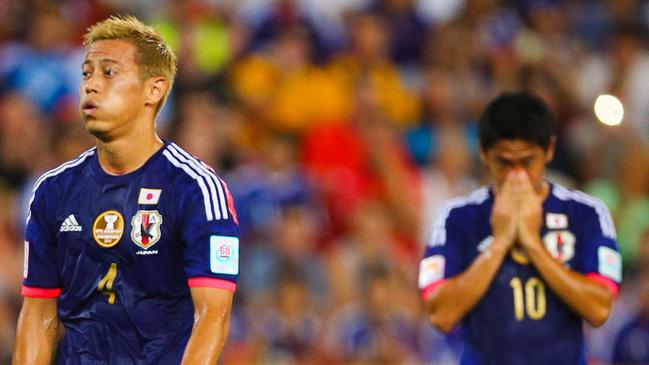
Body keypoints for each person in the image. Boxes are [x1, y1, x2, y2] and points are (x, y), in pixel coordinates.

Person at [12, 15, 239, 364]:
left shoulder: (196, 190)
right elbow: (39, 313)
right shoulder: (52, 191)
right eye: (86, 73)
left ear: (155, 89)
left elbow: (212, 316)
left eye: (109, 72)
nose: (90, 85)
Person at [419, 92, 621, 365]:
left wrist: (531, 242)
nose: (516, 175)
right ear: (483, 152)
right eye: (504, 163)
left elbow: (599, 308)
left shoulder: (586, 213)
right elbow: (440, 314)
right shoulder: (457, 217)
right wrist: (500, 241)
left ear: (549, 150)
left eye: (527, 162)